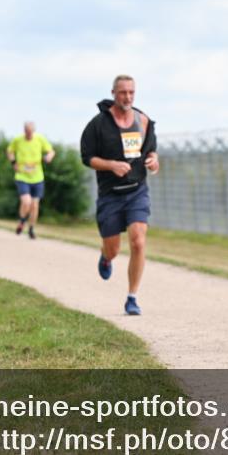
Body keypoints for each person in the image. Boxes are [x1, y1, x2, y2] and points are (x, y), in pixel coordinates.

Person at [80, 75, 159, 316]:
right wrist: (112, 165)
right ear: (113, 93)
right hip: (110, 194)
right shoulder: (98, 124)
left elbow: (152, 153)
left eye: (132, 92)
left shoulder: (143, 120)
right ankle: (106, 257)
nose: (128, 97)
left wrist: (154, 160)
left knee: (138, 240)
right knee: (113, 249)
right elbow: (87, 158)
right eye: (123, 92)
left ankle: (132, 297)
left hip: (137, 191)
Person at [7, 121, 55, 239]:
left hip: (37, 177)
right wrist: (13, 162)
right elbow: (9, 151)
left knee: (34, 205)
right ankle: (22, 221)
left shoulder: (40, 139)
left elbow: (51, 151)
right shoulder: (18, 140)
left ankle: (31, 229)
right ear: (24, 131)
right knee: (26, 201)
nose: (28, 134)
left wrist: (49, 157)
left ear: (33, 131)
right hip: (22, 176)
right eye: (26, 131)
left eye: (30, 132)